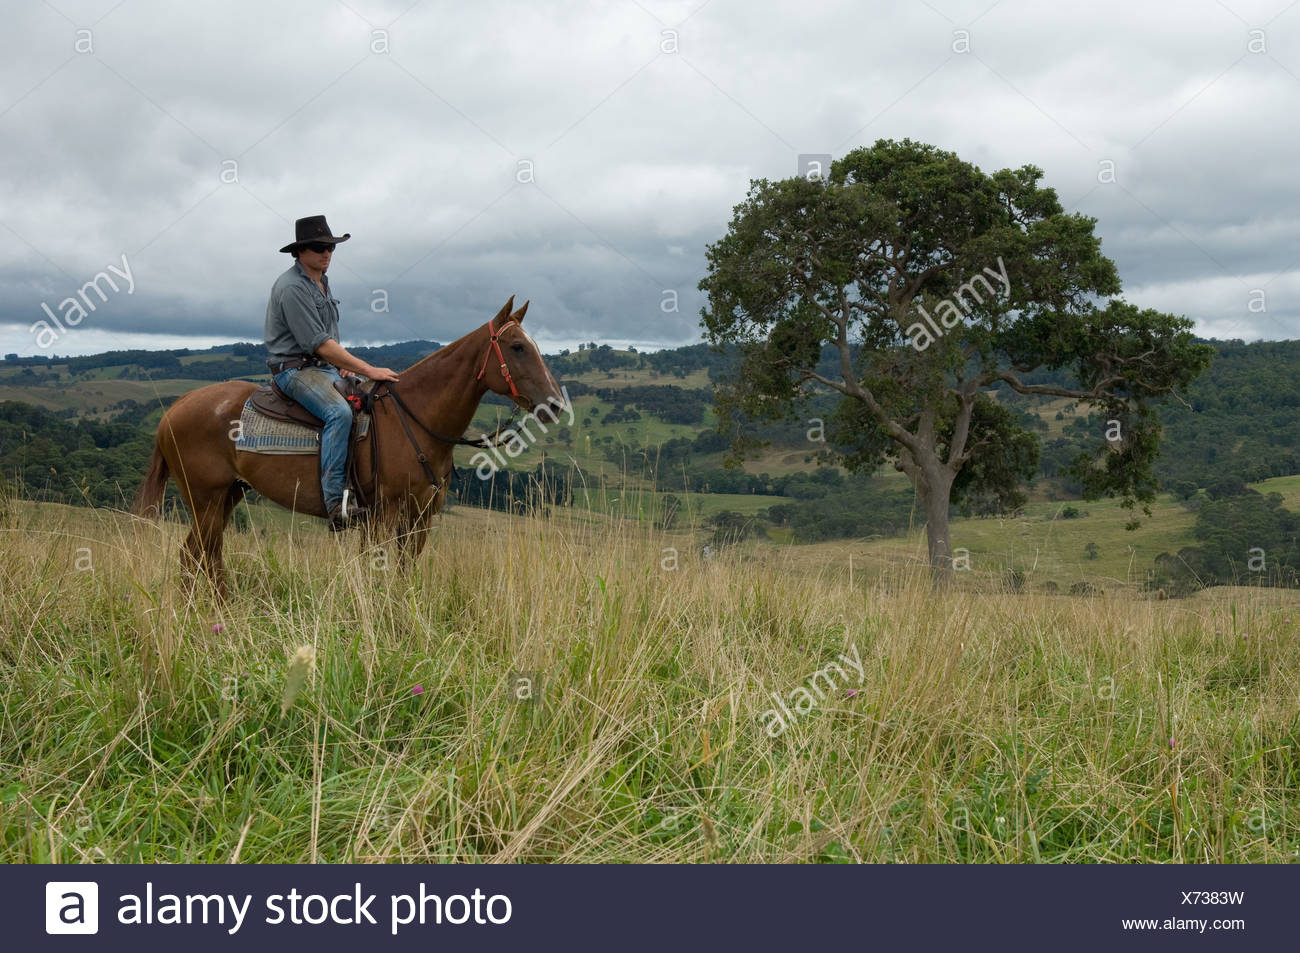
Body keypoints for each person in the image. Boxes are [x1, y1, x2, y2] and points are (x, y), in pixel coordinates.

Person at [264, 215, 399, 530]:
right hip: (294, 371)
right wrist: (367, 368)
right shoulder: (292, 287)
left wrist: (342, 364)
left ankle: (367, 485)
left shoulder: (321, 280)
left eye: (330, 247)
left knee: (371, 401)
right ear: (299, 252)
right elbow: (319, 343)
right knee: (340, 413)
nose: (326, 253)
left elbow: (330, 337)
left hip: (323, 368)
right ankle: (335, 504)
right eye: (318, 247)